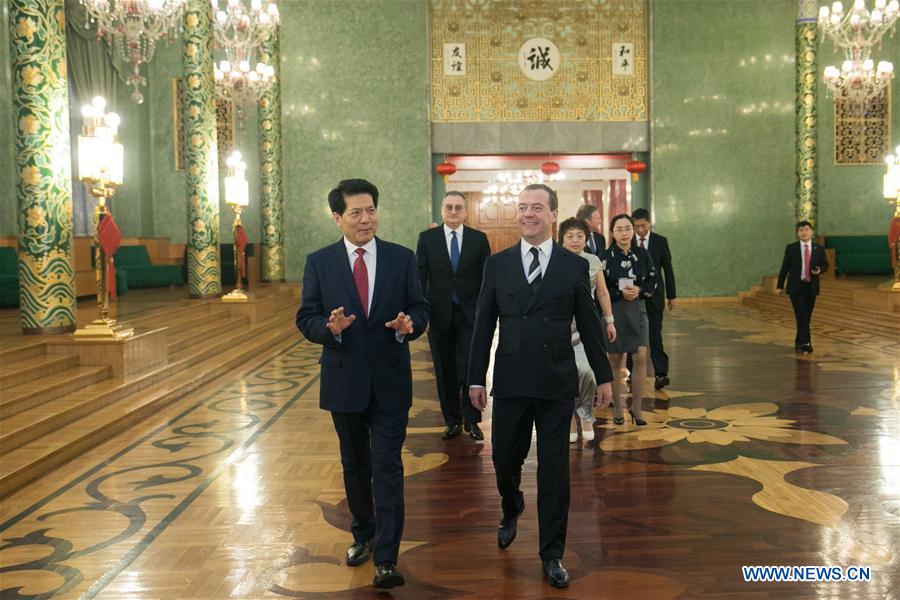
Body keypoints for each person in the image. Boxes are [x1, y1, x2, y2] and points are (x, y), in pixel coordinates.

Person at [468, 184, 614, 589]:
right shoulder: (497, 266)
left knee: (555, 473)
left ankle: (552, 554)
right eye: (522, 207)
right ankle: (511, 504)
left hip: (555, 382)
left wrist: (603, 377)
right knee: (503, 462)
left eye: (536, 208)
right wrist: (475, 379)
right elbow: (483, 327)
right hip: (511, 381)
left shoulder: (573, 267)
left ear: (553, 215)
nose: (527, 214)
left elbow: (589, 324)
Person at [296, 178, 429, 590]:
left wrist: (411, 325)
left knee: (388, 467)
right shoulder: (320, 262)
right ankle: (363, 533)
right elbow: (306, 318)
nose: (366, 218)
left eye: (371, 210)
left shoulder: (401, 258)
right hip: (344, 382)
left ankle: (387, 558)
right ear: (337, 217)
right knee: (356, 465)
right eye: (356, 212)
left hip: (390, 381)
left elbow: (420, 308)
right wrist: (329, 328)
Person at [416, 191, 491, 441]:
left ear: (466, 212)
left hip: (471, 315)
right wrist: (422, 313)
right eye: (449, 207)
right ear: (441, 210)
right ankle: (452, 420)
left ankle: (472, 420)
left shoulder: (479, 240)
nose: (454, 211)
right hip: (439, 315)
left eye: (459, 207)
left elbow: (486, 280)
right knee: (444, 368)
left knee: (471, 367)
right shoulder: (427, 239)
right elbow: (420, 278)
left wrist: (486, 312)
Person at [557, 217, 616, 444]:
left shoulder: (593, 261)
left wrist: (609, 320)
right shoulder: (554, 260)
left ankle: (586, 415)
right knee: (566, 375)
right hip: (561, 327)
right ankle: (571, 418)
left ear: (586, 239)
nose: (575, 240)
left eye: (579, 236)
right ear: (561, 239)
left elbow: (602, 293)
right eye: (570, 236)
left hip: (586, 327)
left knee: (588, 372)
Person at [602, 214, 657, 427]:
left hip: (638, 309)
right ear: (612, 233)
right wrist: (619, 294)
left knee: (641, 355)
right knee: (615, 359)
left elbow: (653, 279)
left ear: (632, 231)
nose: (624, 233)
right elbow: (602, 288)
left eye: (627, 228)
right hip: (614, 311)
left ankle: (636, 406)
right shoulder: (606, 256)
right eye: (619, 229)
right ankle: (617, 406)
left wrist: (641, 289)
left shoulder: (642, 254)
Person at [632, 208, 676, 390]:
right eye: (636, 226)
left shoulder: (660, 241)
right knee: (633, 334)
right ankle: (630, 371)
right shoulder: (629, 241)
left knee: (655, 335)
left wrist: (671, 295)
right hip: (633, 296)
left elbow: (668, 269)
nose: (639, 230)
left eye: (643, 225)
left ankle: (661, 373)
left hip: (656, 296)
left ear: (649, 223)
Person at [776, 220, 829, 353]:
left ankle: (799, 340)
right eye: (801, 230)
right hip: (796, 286)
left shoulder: (819, 248)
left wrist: (819, 270)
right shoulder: (791, 248)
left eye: (806, 229)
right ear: (797, 233)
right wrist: (780, 285)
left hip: (811, 287)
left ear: (811, 232)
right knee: (801, 314)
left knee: (806, 315)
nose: (804, 232)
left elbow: (825, 265)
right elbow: (785, 268)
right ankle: (806, 342)